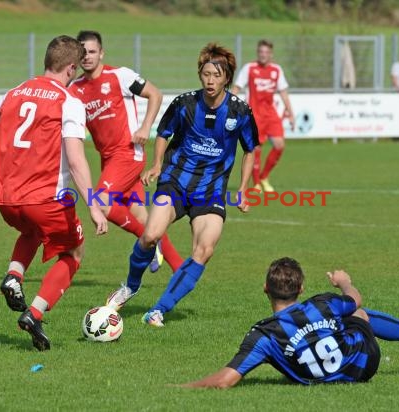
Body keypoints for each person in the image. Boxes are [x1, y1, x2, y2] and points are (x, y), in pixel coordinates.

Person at [105, 42, 259, 327]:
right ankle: (130, 286)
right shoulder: (185, 103)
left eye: (216, 75)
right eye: (206, 74)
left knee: (204, 250)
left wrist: (243, 188)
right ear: (200, 75)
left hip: (210, 191)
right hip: (175, 182)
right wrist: (156, 164)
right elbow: (163, 133)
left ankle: (159, 310)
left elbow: (250, 149)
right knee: (150, 235)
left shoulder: (240, 111)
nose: (210, 80)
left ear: (227, 78)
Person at [0, 35, 108, 351]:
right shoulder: (69, 101)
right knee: (73, 254)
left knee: (31, 232)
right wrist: (95, 206)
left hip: (7, 199)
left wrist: (2, 157)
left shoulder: (14, 92)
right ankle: (34, 314)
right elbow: (75, 160)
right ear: (72, 68)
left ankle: (13, 277)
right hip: (46, 199)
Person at [182, 257, 399, 388]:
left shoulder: (263, 335)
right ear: (301, 288)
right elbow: (356, 299)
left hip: (315, 378)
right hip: (361, 367)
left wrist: (184, 386)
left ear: (265, 289)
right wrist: (344, 282)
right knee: (358, 315)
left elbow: (224, 380)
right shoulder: (322, 304)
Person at [69, 30, 183, 274]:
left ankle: (149, 248)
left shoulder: (119, 76)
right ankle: (180, 269)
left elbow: (155, 93)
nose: (87, 56)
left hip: (128, 153)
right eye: (82, 52)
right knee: (144, 219)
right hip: (108, 159)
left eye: (91, 51)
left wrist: (145, 127)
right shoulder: (75, 88)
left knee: (101, 203)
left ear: (101, 53)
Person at [232, 39, 295, 192]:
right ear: (257, 53)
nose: (263, 55)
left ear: (271, 54)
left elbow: (284, 93)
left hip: (271, 114)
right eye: (260, 52)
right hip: (254, 114)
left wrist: (291, 114)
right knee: (255, 149)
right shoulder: (249, 68)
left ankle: (264, 176)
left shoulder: (276, 70)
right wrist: (229, 106)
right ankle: (256, 183)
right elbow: (236, 87)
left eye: (266, 52)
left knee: (279, 145)